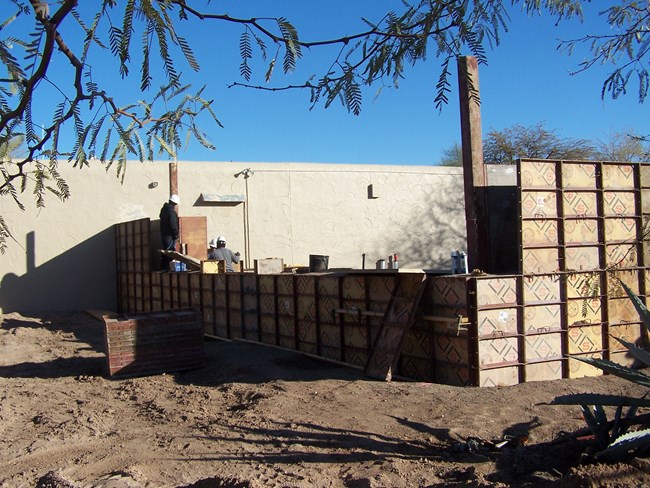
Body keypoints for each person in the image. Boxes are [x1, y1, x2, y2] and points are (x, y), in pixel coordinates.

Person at [159, 194, 180, 271]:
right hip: (170, 236)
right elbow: (173, 224)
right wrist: (176, 234)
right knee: (170, 252)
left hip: (164, 235)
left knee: (165, 251)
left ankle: (164, 267)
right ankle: (168, 268)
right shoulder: (171, 212)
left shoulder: (164, 210)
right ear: (175, 203)